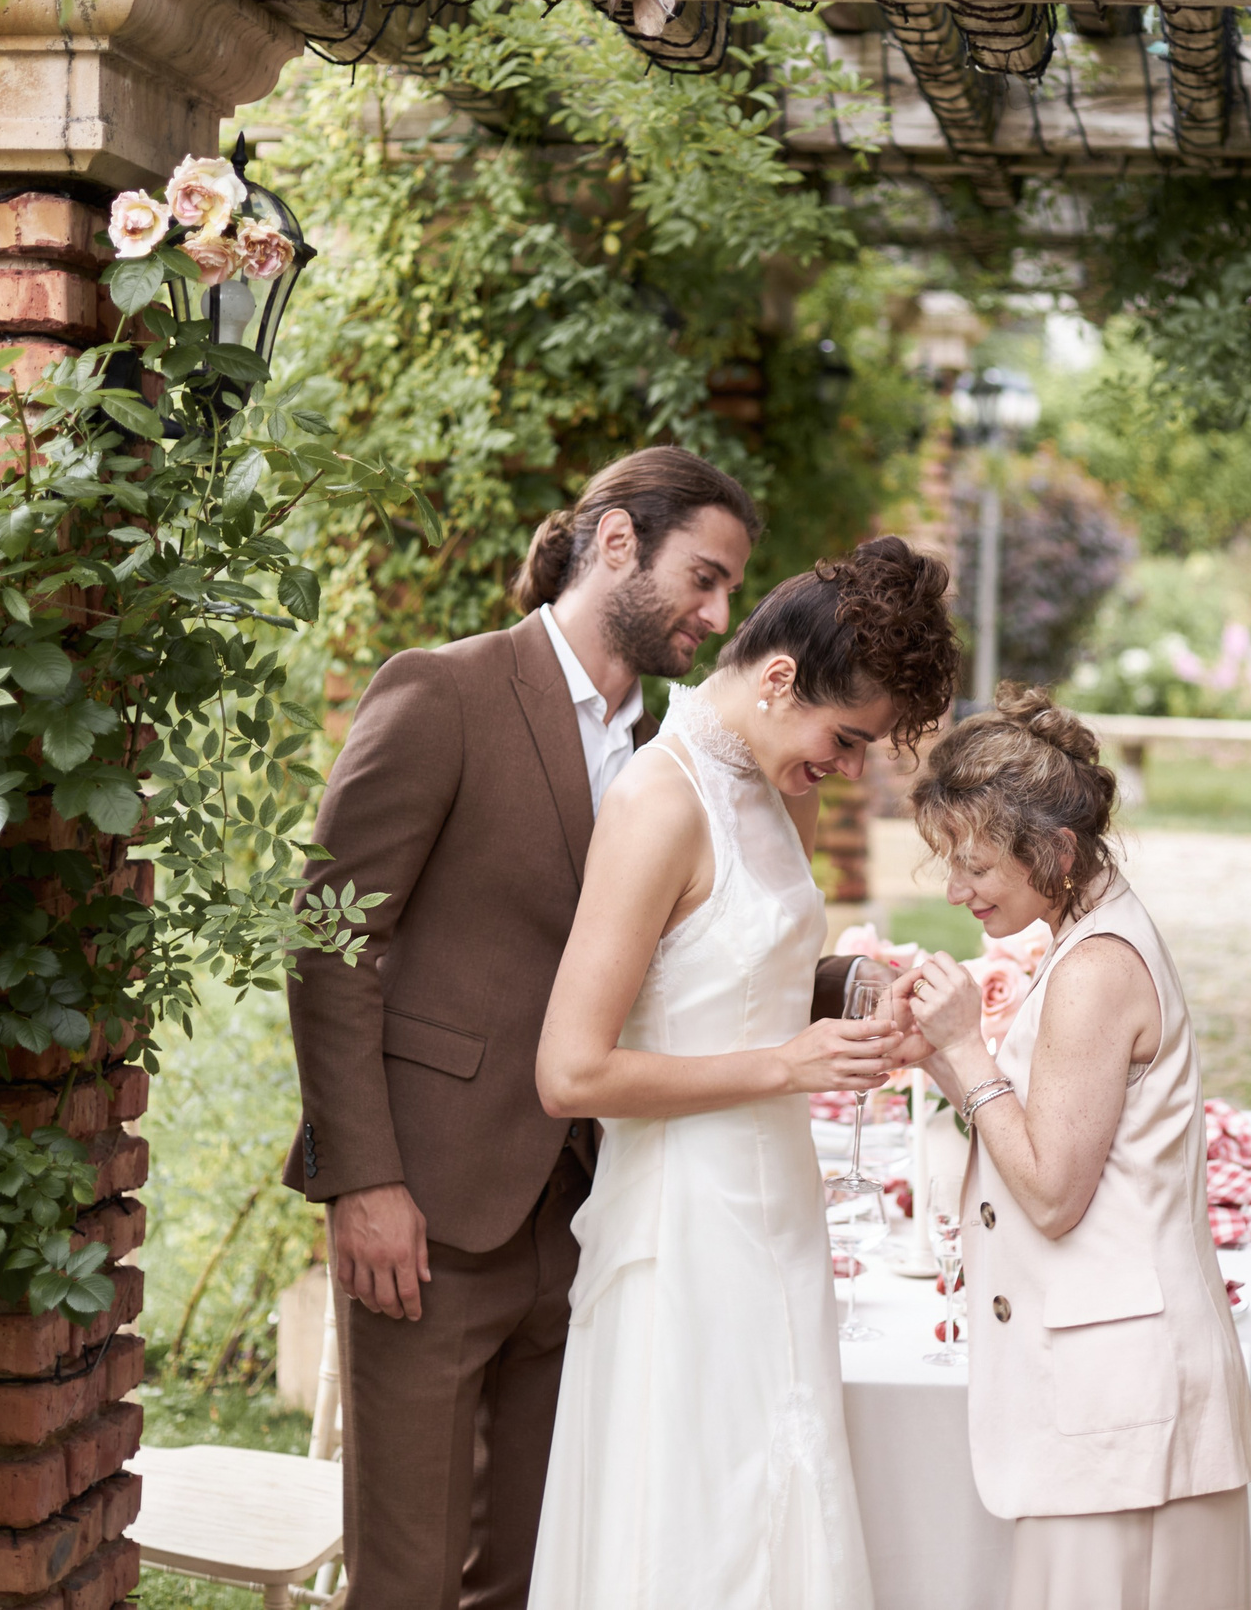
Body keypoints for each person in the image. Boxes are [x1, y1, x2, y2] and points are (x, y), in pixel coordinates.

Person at [284, 449, 868, 1610]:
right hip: (432, 1213)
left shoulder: (682, 760)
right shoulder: (442, 692)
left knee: (532, 1573)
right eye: (701, 580)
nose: (716, 615)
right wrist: (364, 1181)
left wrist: (842, 993)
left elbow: (666, 966)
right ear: (614, 544)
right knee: (405, 1579)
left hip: (592, 1213)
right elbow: (326, 940)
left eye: (725, 591)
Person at [526, 537, 960, 1610]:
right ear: (777, 679)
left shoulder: (774, 783)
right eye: (845, 738)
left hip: (779, 1205)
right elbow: (570, 1071)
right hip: (684, 1221)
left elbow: (731, 973)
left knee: (781, 1492)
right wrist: (787, 1064)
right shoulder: (655, 803)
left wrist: (853, 996)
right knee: (695, 1519)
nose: (850, 769)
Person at [895, 686, 1251, 1610]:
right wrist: (941, 1058)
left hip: (1120, 1394)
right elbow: (1043, 1119)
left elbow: (1055, 1190)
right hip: (1114, 1374)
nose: (955, 889)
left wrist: (969, 1044)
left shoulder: (1096, 969)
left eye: (975, 864)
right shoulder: (1086, 933)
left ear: (1056, 852)